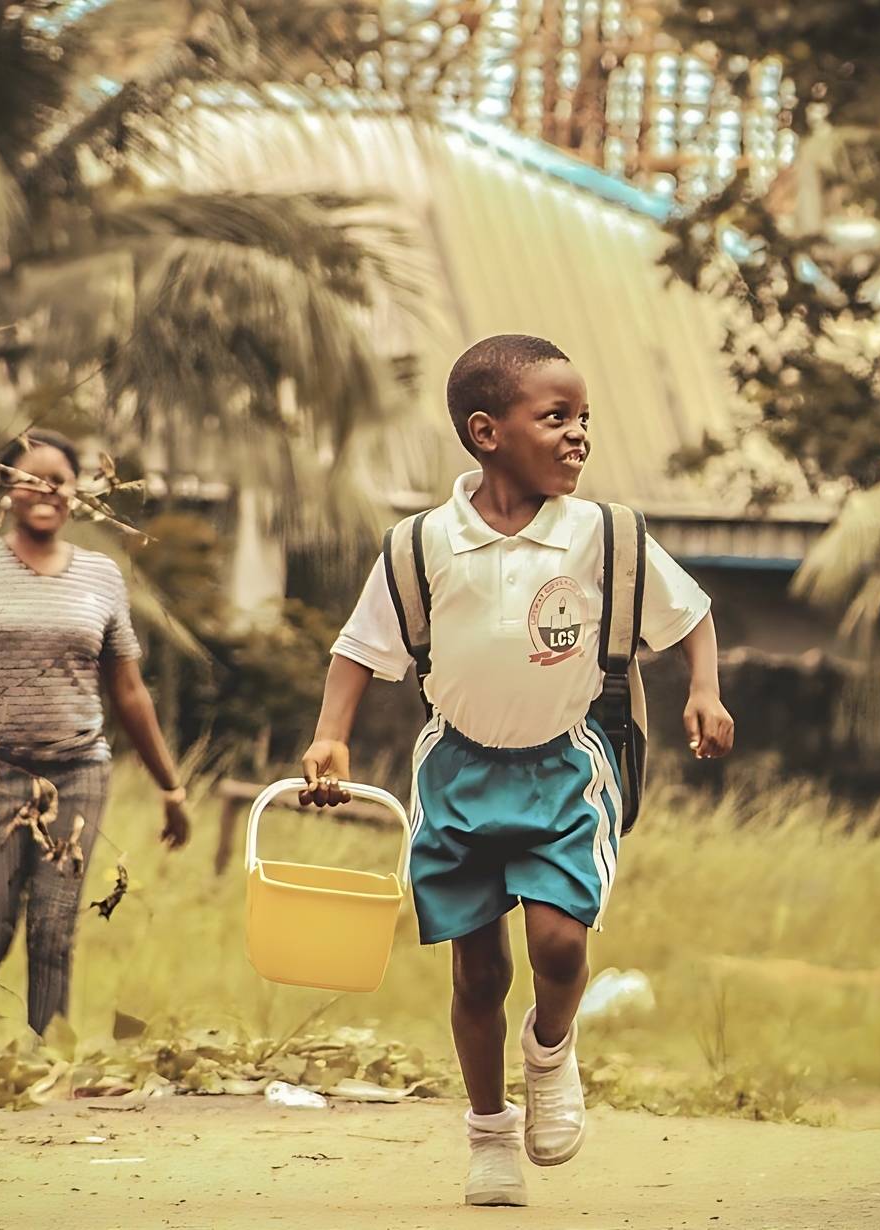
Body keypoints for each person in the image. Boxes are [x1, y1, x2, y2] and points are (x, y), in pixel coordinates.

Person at [300, 336, 735, 1207]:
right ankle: (489, 1134)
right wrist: (329, 738)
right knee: (477, 973)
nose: (579, 434)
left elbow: (689, 615)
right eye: (556, 417)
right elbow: (358, 648)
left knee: (561, 943)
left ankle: (550, 1048)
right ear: (486, 432)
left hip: (565, 768)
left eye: (585, 418)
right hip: (456, 773)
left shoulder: (603, 535)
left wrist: (705, 691)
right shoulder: (423, 544)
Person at [0, 428, 190, 1035]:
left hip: (78, 774)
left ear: (76, 492)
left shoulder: (102, 576)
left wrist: (171, 786)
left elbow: (128, 691)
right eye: (30, 478)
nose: (46, 490)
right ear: (7, 490)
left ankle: (50, 1071)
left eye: (59, 480)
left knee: (54, 935)